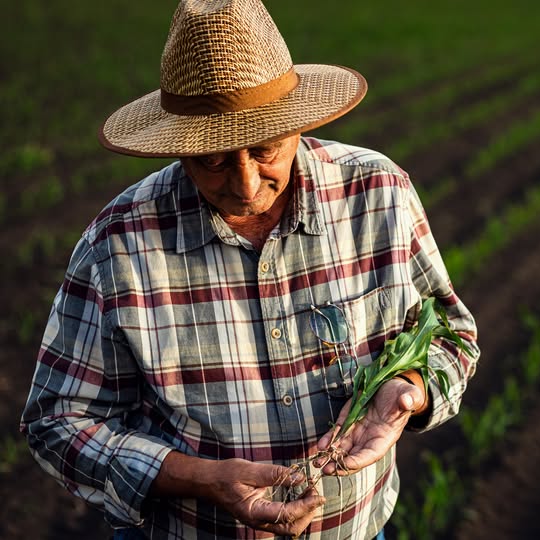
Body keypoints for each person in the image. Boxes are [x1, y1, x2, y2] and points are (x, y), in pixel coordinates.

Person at [19, 0, 479, 539]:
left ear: (296, 124)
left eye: (265, 149)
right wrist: (200, 479)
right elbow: (58, 421)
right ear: (178, 146)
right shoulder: (120, 245)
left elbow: (450, 333)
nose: (244, 184)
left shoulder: (376, 195)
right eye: (211, 159)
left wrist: (409, 387)